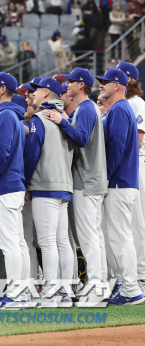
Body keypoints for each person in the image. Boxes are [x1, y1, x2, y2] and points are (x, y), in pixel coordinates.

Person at [42, 67, 108, 305]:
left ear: (81, 85)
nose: (66, 85)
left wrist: (61, 121)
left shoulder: (88, 107)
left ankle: (96, 289)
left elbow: (80, 139)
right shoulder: (86, 108)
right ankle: (99, 285)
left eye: (70, 81)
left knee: (89, 238)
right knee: (94, 237)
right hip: (90, 179)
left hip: (86, 180)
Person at [24, 77, 75, 308]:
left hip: (45, 184)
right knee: (62, 241)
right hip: (65, 186)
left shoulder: (41, 117)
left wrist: (24, 182)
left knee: (47, 243)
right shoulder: (65, 118)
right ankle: (66, 292)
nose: (32, 94)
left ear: (46, 93)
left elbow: (32, 152)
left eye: (36, 90)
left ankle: (50, 294)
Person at [96, 69, 145, 306]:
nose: (101, 85)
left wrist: (105, 176)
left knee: (120, 237)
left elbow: (115, 145)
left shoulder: (118, 109)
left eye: (105, 82)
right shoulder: (122, 108)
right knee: (122, 235)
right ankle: (130, 286)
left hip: (118, 182)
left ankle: (131, 288)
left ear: (117, 85)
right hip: (124, 181)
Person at [0, 72, 31, 308]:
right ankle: (20, 292)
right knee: (18, 243)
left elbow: (0, 153)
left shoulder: (3, 116)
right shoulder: (15, 116)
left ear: (2, 89)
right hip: (14, 184)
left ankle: (15, 294)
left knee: (10, 244)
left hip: (4, 185)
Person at [117, 62, 145, 289]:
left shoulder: (136, 104)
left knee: (137, 222)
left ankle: (141, 274)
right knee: (128, 224)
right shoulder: (124, 104)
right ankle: (131, 272)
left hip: (137, 165)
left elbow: (138, 141)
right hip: (130, 166)